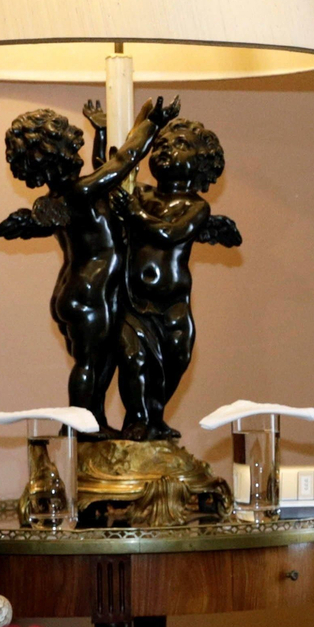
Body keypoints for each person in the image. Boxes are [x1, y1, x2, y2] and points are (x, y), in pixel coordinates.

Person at [0, 97, 179, 437]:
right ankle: (78, 427)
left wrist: (102, 131)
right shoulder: (79, 193)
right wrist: (152, 124)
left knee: (102, 362)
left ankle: (93, 423)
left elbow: (106, 169)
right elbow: (122, 162)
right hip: (90, 291)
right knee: (91, 363)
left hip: (79, 290)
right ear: (60, 152)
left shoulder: (70, 195)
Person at [115, 118, 241, 441]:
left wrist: (135, 215)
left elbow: (169, 233)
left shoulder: (196, 206)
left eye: (181, 144)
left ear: (200, 163)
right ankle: (137, 419)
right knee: (132, 359)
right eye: (161, 143)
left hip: (173, 308)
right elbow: (111, 177)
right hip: (135, 302)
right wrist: (106, 136)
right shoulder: (139, 194)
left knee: (173, 362)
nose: (168, 148)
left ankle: (155, 417)